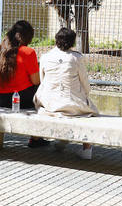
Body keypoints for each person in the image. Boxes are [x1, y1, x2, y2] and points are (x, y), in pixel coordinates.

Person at [34, 27, 99, 159]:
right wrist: (85, 95)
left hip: (50, 105)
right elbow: (85, 83)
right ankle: (87, 149)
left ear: (56, 40)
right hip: (73, 105)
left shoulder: (45, 57)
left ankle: (62, 140)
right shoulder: (77, 58)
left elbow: (42, 81)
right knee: (90, 114)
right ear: (72, 42)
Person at [0, 20, 47, 147]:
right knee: (42, 87)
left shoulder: (0, 50)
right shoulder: (28, 52)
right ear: (28, 37)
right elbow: (36, 81)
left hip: (0, 98)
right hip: (21, 99)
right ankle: (35, 138)